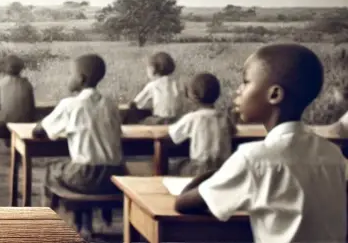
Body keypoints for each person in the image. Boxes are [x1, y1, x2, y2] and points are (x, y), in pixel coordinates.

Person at [175, 44, 347, 243]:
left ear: (274, 95)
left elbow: (183, 203)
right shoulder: (333, 155)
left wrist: (216, 173)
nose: (238, 91)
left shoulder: (253, 158)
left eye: (245, 82)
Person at [33, 54, 125, 199]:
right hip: (115, 176)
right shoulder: (110, 104)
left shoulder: (70, 105)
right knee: (69, 167)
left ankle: (54, 215)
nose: (68, 78)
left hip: (85, 176)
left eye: (71, 74)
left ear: (81, 79)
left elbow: (38, 132)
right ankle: (84, 215)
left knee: (52, 169)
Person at [167, 73, 234, 177]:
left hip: (200, 169)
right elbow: (234, 132)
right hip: (223, 168)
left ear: (192, 96)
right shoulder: (225, 118)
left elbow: (174, 134)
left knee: (175, 166)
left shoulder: (193, 118)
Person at [129, 51, 184, 125]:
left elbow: (135, 103)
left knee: (139, 122)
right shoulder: (178, 84)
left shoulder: (153, 85)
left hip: (160, 120)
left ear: (152, 69)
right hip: (177, 120)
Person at [0, 55, 36, 128]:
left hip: (5, 120)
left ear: (5, 68)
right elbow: (32, 105)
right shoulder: (27, 84)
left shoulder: (2, 83)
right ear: (21, 68)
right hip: (25, 120)